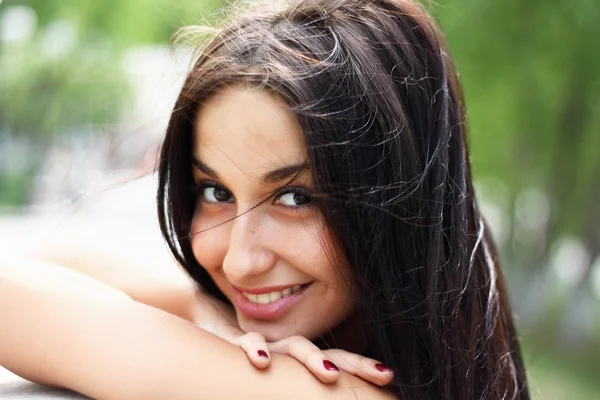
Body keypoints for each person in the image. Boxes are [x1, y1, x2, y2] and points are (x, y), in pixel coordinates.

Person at [0, 0, 530, 399]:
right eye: (215, 192)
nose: (238, 260)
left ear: (398, 200)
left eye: (297, 198)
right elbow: (52, 258)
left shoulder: (330, 390)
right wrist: (206, 313)